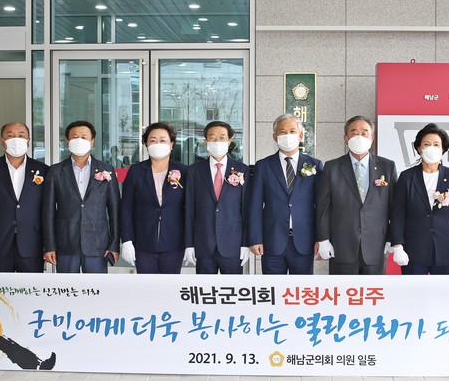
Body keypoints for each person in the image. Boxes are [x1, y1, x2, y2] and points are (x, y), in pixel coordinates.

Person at [316, 115, 397, 274]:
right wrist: (323, 239)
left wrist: (392, 238)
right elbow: (323, 207)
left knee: (374, 290)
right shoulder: (332, 167)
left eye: (364, 132)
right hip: (342, 245)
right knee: (343, 290)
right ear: (346, 138)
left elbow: (395, 207)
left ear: (372, 137)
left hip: (376, 245)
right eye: (354, 132)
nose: (359, 136)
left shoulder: (387, 167)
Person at [247, 114, 324, 274]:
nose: (287, 135)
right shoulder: (263, 166)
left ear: (301, 135)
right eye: (282, 132)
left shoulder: (315, 165)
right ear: (275, 137)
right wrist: (255, 238)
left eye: (292, 131)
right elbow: (255, 205)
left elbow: (321, 206)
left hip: (304, 240)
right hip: (272, 240)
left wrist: (321, 238)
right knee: (272, 287)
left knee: (301, 288)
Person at [390, 123, 449, 274]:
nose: (431, 148)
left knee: (444, 289)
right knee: (413, 288)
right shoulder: (407, 177)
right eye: (426, 144)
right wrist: (398, 245)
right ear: (419, 148)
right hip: (414, 248)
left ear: (443, 149)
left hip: (446, 247)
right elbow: (397, 214)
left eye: (436, 144)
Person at [42, 120, 120, 273]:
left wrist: (114, 244)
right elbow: (48, 211)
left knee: (96, 286)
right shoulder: (55, 171)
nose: (79, 140)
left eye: (84, 137)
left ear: (92, 142)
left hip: (97, 243)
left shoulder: (106, 170)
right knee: (66, 286)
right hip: (65, 242)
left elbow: (115, 210)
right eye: (75, 137)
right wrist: (49, 245)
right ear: (67, 142)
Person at [0, 122, 49, 272]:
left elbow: (47, 210)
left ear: (28, 141)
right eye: (10, 136)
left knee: (30, 286)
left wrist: (49, 244)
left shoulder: (43, 170)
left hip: (32, 243)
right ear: (2, 141)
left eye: (21, 135)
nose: (16, 139)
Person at [120, 122, 187, 274]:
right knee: (146, 285)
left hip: (174, 242)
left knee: (170, 285)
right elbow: (126, 208)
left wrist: (190, 242)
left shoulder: (184, 172)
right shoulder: (136, 171)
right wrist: (127, 239)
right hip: (143, 241)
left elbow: (190, 208)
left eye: (163, 140)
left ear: (171, 144)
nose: (158, 144)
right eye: (152, 140)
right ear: (146, 144)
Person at [184, 121, 249, 274]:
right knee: (204, 288)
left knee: (232, 288)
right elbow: (189, 209)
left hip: (233, 243)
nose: (217, 141)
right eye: (212, 138)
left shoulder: (242, 170)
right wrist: (189, 244)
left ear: (229, 141)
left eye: (222, 137)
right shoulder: (194, 171)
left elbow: (246, 209)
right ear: (206, 141)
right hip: (203, 242)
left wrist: (245, 243)